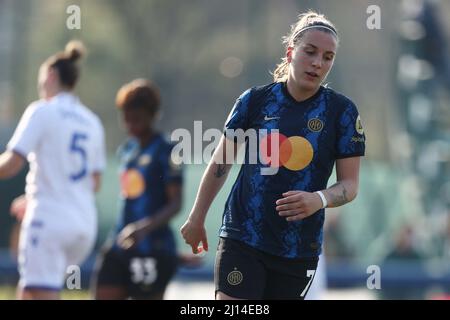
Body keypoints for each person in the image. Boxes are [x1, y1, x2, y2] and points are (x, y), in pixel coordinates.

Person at [181, 11, 366, 300]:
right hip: (243, 237)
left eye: (327, 57)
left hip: (298, 249)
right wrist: (197, 217)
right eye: (310, 52)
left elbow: (350, 186)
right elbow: (221, 163)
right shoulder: (254, 100)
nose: (318, 63)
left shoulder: (342, 112)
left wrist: (318, 199)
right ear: (291, 52)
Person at [0, 41, 106, 300]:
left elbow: (12, 164)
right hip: (83, 225)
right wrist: (36, 196)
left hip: (49, 222)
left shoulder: (42, 111)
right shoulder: (92, 121)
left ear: (50, 76)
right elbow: (94, 183)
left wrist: (45, 198)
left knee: (40, 291)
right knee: (29, 289)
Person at [92, 79, 187, 300]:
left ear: (151, 115)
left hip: (153, 247)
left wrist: (142, 229)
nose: (129, 124)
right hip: (119, 242)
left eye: (136, 118)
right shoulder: (126, 150)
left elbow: (176, 203)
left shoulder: (168, 150)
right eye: (125, 117)